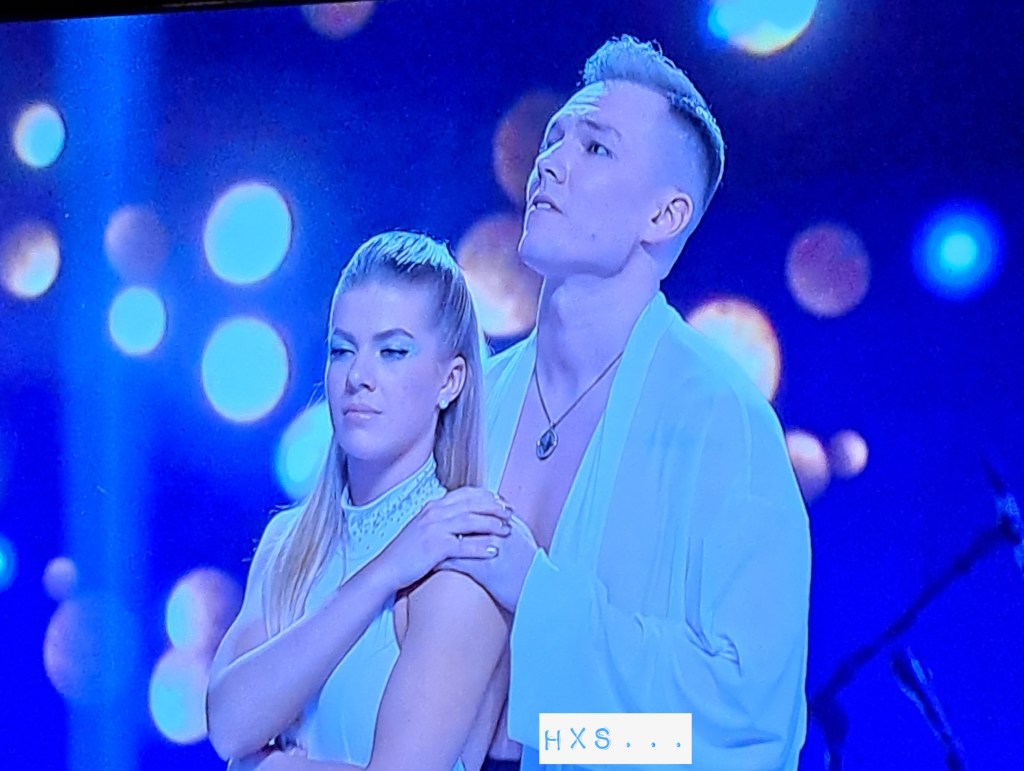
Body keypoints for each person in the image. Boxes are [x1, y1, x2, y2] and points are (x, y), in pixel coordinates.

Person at [440, 36, 812, 770]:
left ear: (664, 216)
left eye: (596, 147)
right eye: (554, 139)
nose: (551, 162)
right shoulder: (466, 405)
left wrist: (545, 729)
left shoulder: (723, 424)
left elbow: (750, 730)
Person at [207, 231, 514, 771]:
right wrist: (383, 572)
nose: (358, 377)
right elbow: (229, 725)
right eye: (342, 350)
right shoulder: (288, 543)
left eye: (392, 351)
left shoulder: (462, 556)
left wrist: (274, 766)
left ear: (451, 381)